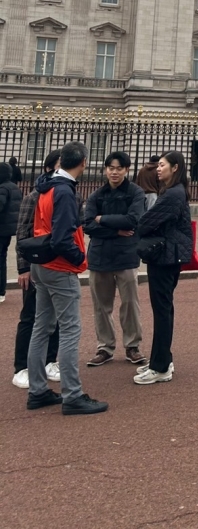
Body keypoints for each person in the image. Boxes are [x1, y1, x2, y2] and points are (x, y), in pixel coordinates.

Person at [26, 141, 108, 415]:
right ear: (83, 162)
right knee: (70, 330)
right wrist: (78, 258)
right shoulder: (64, 191)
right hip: (59, 267)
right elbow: (62, 238)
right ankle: (72, 395)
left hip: (42, 264)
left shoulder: (47, 186)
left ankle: (37, 390)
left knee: (41, 327)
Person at [82, 151, 147, 367]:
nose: (114, 172)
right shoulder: (96, 195)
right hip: (99, 255)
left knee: (130, 304)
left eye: (119, 168)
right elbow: (87, 224)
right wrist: (116, 230)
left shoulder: (136, 192)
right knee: (101, 306)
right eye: (111, 168)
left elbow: (132, 220)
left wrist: (102, 219)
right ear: (105, 170)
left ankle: (132, 345)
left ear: (126, 170)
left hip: (126, 255)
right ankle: (105, 347)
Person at [134, 150, 193, 385]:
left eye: (162, 165)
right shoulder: (174, 191)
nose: (158, 169)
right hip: (169, 255)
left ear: (175, 167)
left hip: (166, 257)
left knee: (162, 311)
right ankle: (162, 359)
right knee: (164, 309)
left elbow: (145, 222)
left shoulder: (173, 194)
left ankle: (160, 368)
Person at [12, 151, 61, 389]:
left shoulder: (67, 194)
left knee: (57, 317)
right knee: (30, 316)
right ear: (48, 168)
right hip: (35, 264)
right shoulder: (33, 196)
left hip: (59, 265)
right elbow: (22, 233)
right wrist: (23, 267)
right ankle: (22, 366)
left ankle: (50, 360)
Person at [0, 162, 23, 303]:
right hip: (8, 230)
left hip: (1, 229)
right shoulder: (15, 187)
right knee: (2, 259)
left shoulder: (3, 188)